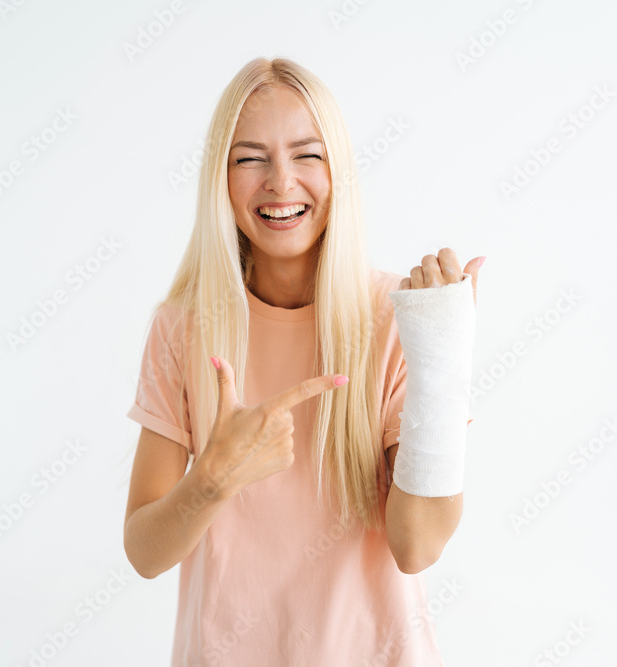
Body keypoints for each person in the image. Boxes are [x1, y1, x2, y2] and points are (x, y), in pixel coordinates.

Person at [124, 56, 483, 666]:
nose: (281, 182)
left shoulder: (401, 319)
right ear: (221, 178)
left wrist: (441, 362)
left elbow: (417, 547)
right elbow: (145, 552)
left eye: (307, 154)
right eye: (249, 158)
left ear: (337, 170)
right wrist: (213, 479)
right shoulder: (181, 328)